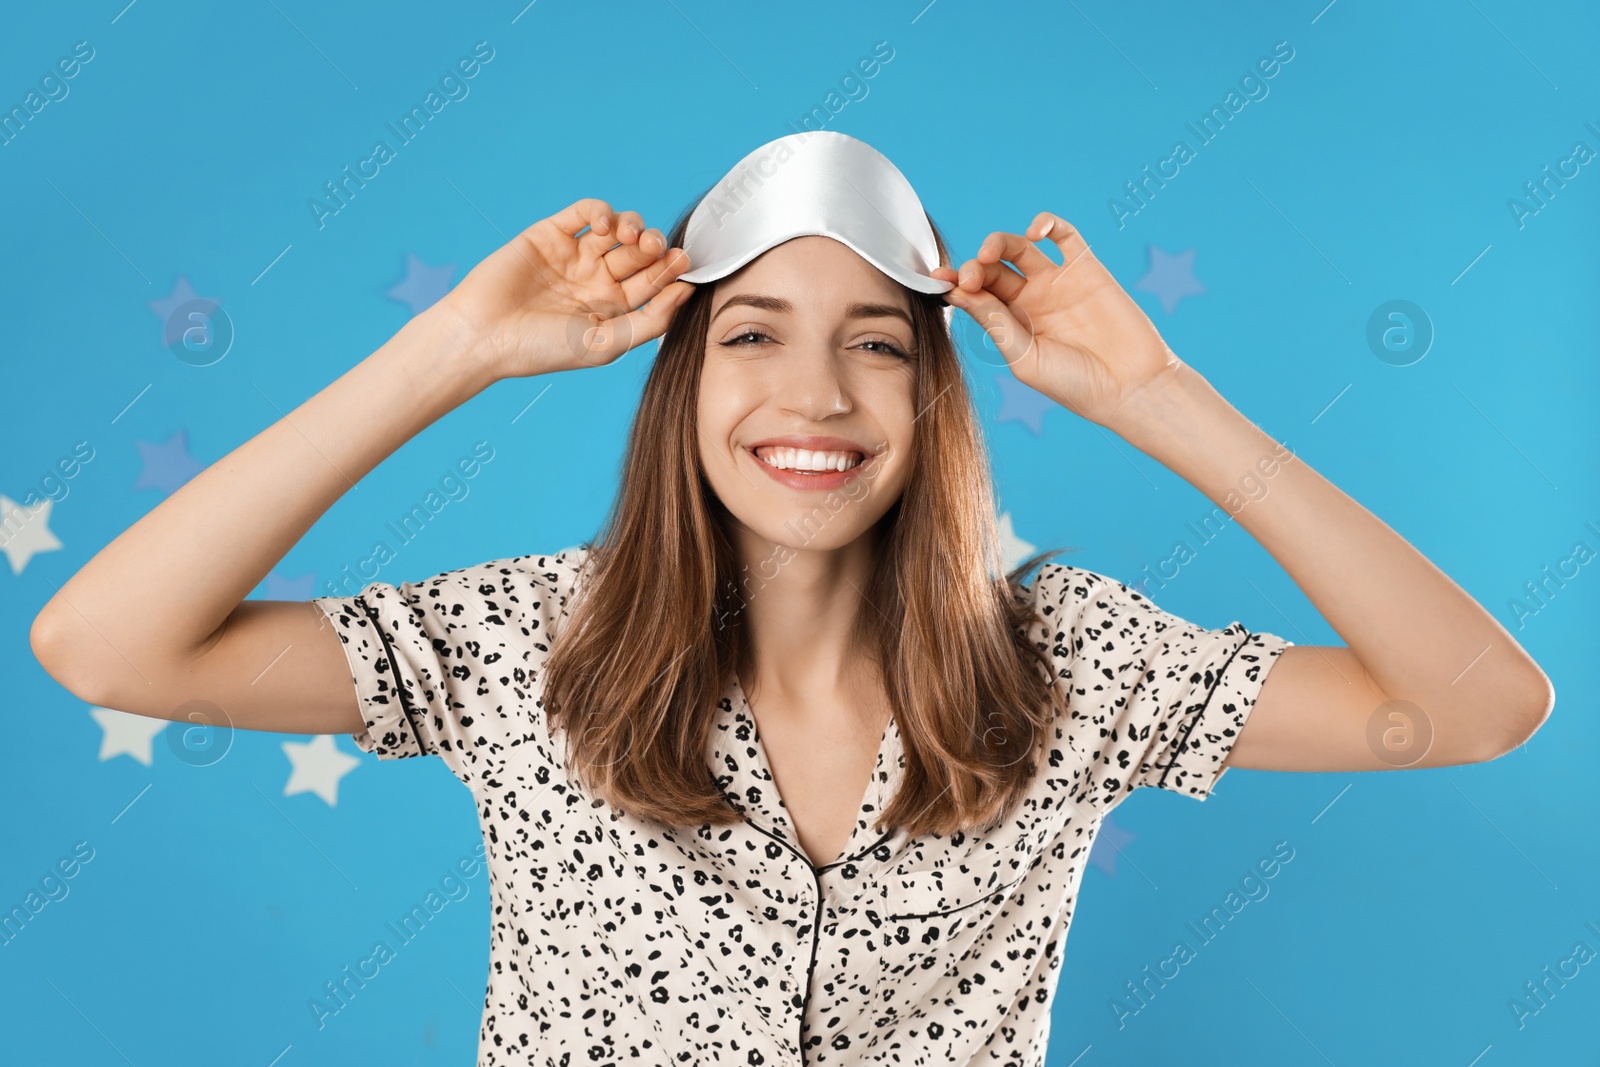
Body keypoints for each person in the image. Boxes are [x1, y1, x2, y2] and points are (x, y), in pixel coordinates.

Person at [30, 131, 1552, 1065]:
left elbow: (1476, 707)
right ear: (685, 382)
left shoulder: (1071, 664)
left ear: (933, 393)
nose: (814, 393)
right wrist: (454, 350)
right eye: (754, 334)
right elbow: (103, 642)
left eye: (877, 342)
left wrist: (1162, 397)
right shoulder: (531, 645)